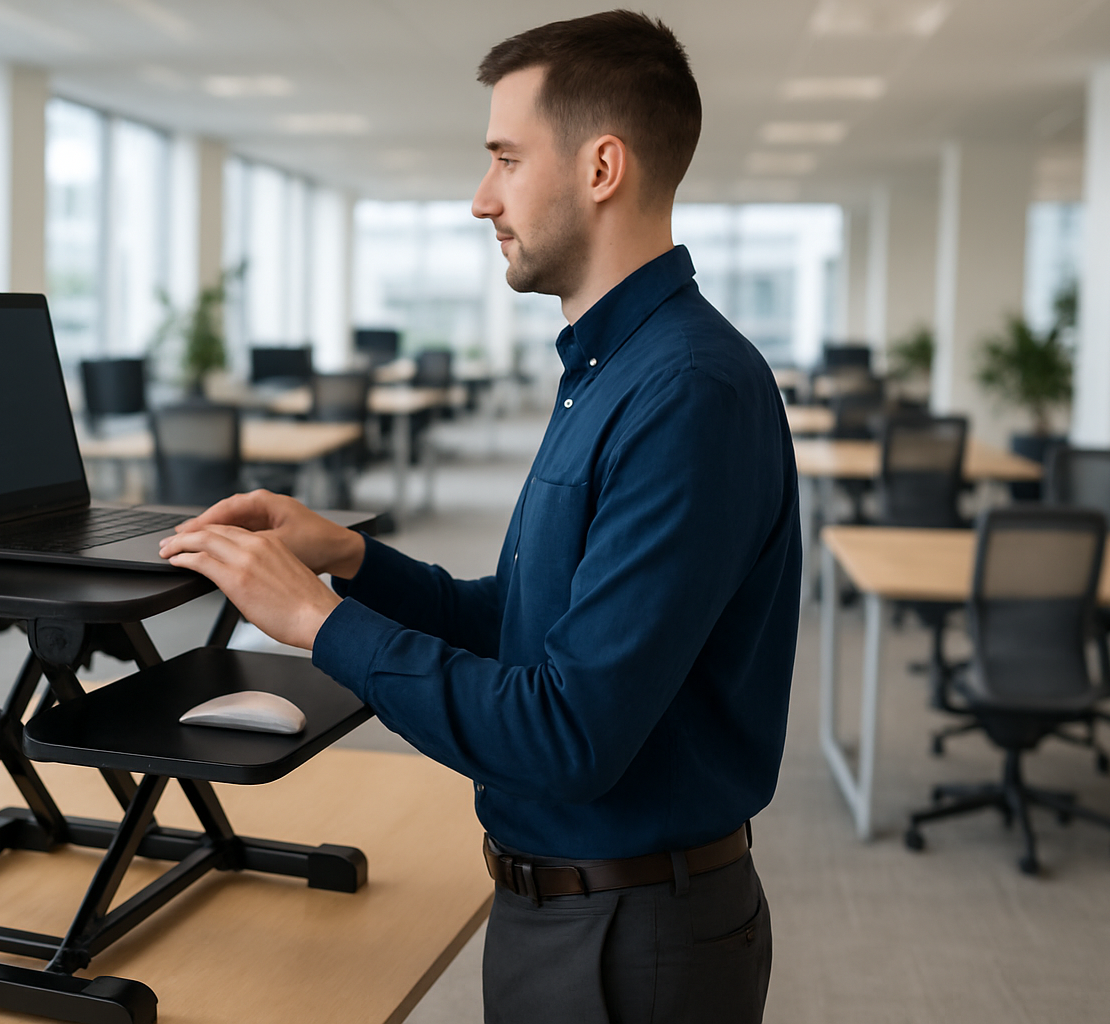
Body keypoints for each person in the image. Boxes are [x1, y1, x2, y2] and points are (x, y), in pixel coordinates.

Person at [158, 10, 801, 1023]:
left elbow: (566, 734)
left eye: (506, 159)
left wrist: (320, 622)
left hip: (630, 939)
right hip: (574, 909)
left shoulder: (685, 390)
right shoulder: (611, 369)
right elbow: (524, 625)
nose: (481, 197)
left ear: (601, 167)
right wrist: (352, 559)